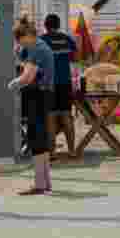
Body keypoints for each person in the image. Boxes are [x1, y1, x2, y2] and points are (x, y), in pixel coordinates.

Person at [9, 19, 56, 195]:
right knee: (41, 139)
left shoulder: (36, 49)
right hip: (45, 95)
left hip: (37, 96)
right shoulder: (40, 45)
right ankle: (45, 182)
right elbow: (24, 59)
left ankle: (39, 184)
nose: (20, 44)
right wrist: (19, 53)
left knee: (36, 139)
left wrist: (13, 84)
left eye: (20, 40)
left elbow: (27, 77)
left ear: (28, 35)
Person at [40, 14, 78, 160]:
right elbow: (75, 57)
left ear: (45, 26)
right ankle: (72, 151)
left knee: (50, 118)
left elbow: (25, 55)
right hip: (65, 83)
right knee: (66, 116)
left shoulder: (42, 41)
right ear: (58, 25)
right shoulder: (66, 39)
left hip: (49, 84)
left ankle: (52, 153)